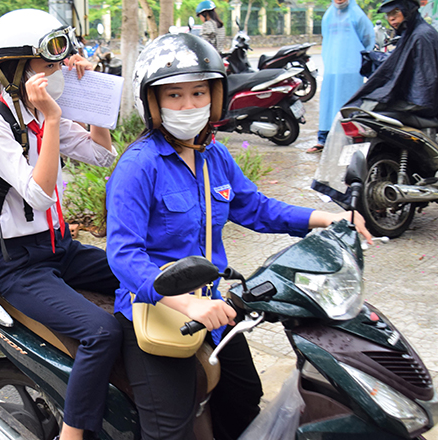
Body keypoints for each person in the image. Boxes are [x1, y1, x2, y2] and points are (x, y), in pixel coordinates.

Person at [105, 32, 373, 440]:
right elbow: (124, 255)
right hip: (155, 312)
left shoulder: (215, 155)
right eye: (174, 95)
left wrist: (327, 218)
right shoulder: (138, 166)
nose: (189, 105)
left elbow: (258, 209)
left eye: (198, 93)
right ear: (153, 102)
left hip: (214, 310)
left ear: (215, 97)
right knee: (169, 427)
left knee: (244, 398)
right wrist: (183, 304)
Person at [0, 9, 121, 440]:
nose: (58, 71)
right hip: (20, 265)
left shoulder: (43, 117)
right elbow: (37, 195)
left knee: (145, 275)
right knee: (100, 332)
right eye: (48, 64)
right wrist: (55, 119)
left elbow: (101, 154)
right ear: (18, 71)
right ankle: (72, 435)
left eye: (60, 63)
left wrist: (92, 93)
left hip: (61, 248)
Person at [346, 0, 438, 118]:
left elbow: (424, 84)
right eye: (388, 14)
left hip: (420, 102)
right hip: (414, 97)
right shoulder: (410, 33)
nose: (391, 19)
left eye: (396, 12)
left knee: (364, 108)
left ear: (408, 9)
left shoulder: (421, 36)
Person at [306, 0, 374, 154]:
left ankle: (350, 139)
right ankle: (323, 139)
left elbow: (368, 40)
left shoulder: (357, 15)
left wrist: (360, 61)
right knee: (328, 104)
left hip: (352, 69)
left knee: (348, 103)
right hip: (332, 68)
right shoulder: (328, 15)